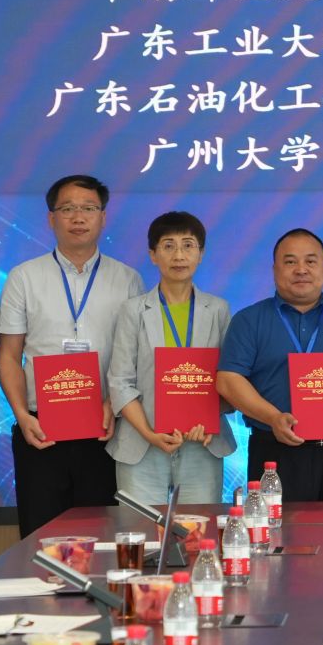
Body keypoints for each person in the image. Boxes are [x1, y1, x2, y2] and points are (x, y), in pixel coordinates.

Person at [0, 174, 142, 536]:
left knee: (103, 538)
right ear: (51, 218)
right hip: (41, 430)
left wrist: (113, 403)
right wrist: (21, 416)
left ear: (103, 217)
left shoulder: (128, 280)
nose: (78, 217)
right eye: (68, 209)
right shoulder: (24, 277)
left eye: (88, 208)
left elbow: (136, 358)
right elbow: (9, 356)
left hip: (105, 429)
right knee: (41, 539)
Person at [218, 228, 323, 501]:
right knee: (273, 526)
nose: (301, 269)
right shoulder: (249, 320)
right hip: (272, 449)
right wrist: (273, 418)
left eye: (310, 261)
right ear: (275, 269)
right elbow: (228, 379)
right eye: (290, 261)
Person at [108, 211, 234, 504]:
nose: (179, 255)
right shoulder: (133, 310)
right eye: (168, 246)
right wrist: (149, 433)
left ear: (201, 253)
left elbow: (230, 379)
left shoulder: (218, 309)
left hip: (202, 444)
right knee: (139, 529)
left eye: (188, 245)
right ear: (153, 255)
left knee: (197, 528)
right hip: (142, 444)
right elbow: (120, 381)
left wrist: (210, 418)